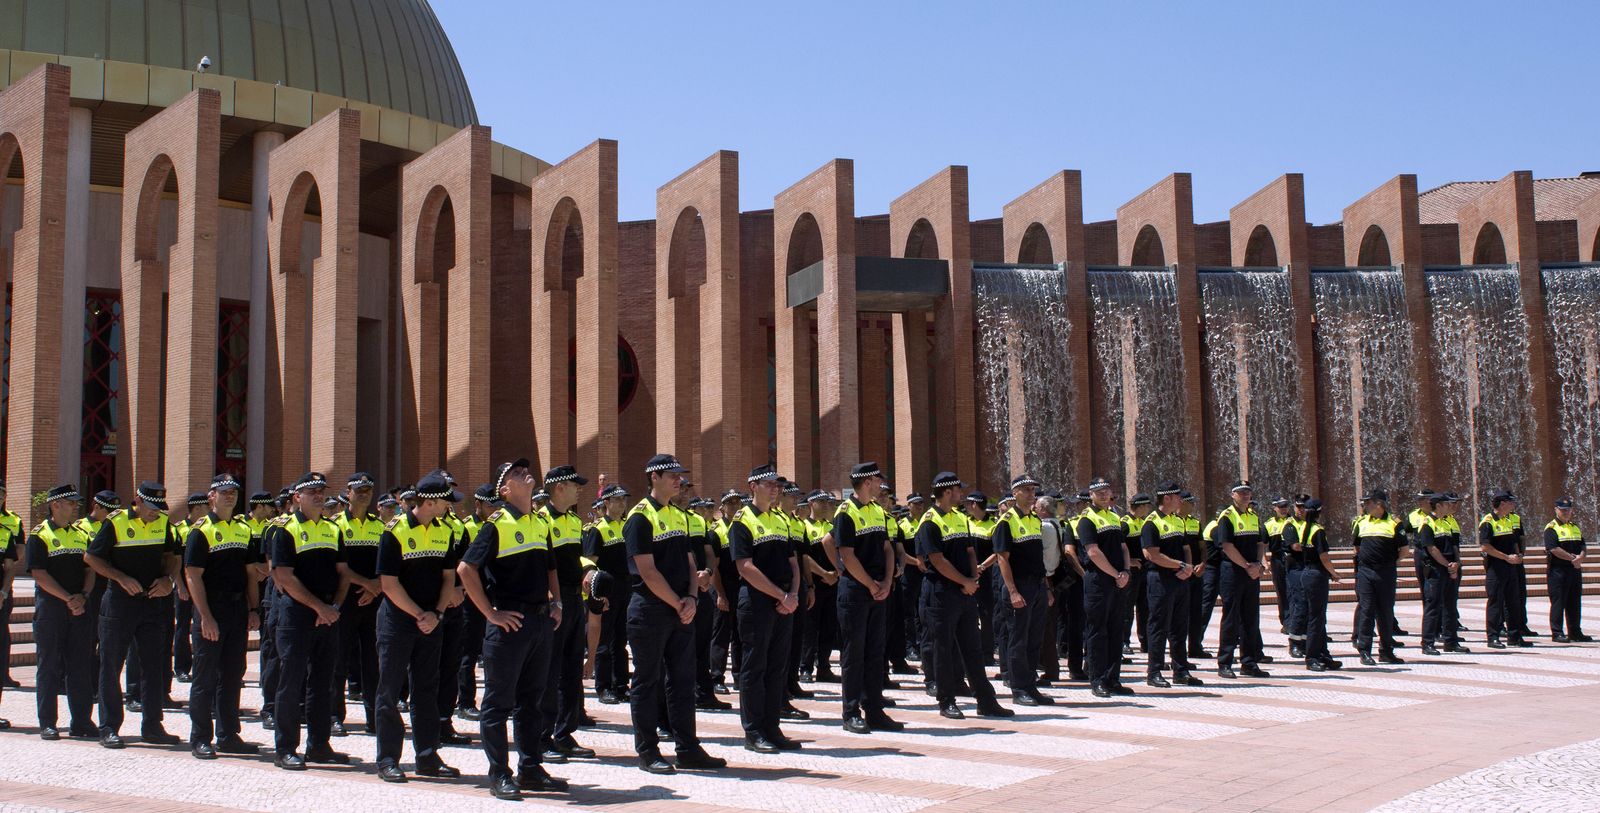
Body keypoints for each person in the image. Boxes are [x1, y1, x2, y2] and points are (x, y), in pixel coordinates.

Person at [458, 458, 565, 799]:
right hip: (510, 623)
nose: (525, 473)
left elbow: (551, 569)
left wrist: (557, 602)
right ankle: (499, 773)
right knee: (498, 702)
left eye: (524, 470)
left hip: (539, 621)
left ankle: (530, 768)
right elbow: (466, 570)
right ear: (505, 491)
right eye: (516, 474)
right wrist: (490, 613)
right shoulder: (496, 525)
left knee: (532, 700)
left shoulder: (539, 522)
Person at [622, 454, 726, 774]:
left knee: (682, 681)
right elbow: (647, 571)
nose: (678, 480)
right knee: (646, 682)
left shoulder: (678, 515)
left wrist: (693, 596)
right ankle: (648, 751)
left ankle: (688, 748)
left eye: (680, 476)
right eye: (672, 475)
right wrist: (679, 602)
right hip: (651, 610)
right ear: (654, 478)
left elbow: (690, 561)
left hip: (681, 608)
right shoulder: (639, 517)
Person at [372, 473, 463, 783]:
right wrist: (419, 615)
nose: (449, 507)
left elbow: (448, 578)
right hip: (398, 622)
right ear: (430, 501)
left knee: (426, 689)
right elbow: (388, 584)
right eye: (445, 501)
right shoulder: (393, 532)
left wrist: (436, 613)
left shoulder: (445, 531)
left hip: (432, 621)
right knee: (389, 689)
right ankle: (387, 759)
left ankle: (427, 756)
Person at [265, 473, 353, 770]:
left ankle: (319, 745)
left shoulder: (332, 529)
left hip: (328, 613)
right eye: (311, 491)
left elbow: (343, 573)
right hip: (297, 615)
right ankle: (286, 748)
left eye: (321, 491)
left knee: (323, 683)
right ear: (296, 498)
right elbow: (283, 577)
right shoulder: (285, 530)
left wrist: (336, 606)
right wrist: (319, 608)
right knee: (291, 683)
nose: (318, 496)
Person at [85, 481, 182, 748]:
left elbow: (172, 556)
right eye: (151, 507)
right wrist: (120, 578)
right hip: (119, 604)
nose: (155, 512)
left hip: (152, 603)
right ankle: (109, 727)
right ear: (137, 501)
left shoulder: (163, 523)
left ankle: (152, 726)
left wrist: (167, 580)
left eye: (159, 507)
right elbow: (92, 558)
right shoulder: (115, 523)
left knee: (153, 667)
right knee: (111, 666)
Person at [917, 472, 1014, 720]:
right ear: (948, 492)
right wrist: (964, 581)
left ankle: (985, 700)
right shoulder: (929, 521)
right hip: (941, 593)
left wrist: (972, 580)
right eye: (959, 490)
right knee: (943, 648)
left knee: (972, 647)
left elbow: (970, 551)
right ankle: (946, 700)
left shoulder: (960, 517)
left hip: (965, 591)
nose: (962, 494)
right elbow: (937, 560)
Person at [184, 474, 263, 759]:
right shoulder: (200, 531)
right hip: (211, 609)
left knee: (233, 675)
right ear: (211, 497)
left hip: (237, 609)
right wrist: (205, 616)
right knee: (205, 677)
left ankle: (229, 735)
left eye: (234, 491)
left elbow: (251, 573)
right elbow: (192, 576)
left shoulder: (244, 529)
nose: (230, 496)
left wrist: (253, 609)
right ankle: (200, 737)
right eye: (224, 491)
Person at [728, 465, 803, 753]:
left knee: (777, 668)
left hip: (783, 600)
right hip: (757, 602)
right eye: (769, 484)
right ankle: (754, 731)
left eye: (778, 485)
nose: (775, 489)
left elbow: (793, 562)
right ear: (753, 486)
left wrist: (792, 594)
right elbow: (745, 567)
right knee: (754, 668)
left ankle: (773, 727)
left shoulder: (781, 520)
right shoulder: (742, 521)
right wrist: (782, 595)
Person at [833, 462, 903, 733]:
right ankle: (850, 711)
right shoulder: (845, 512)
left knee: (875, 652)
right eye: (877, 480)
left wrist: (886, 580)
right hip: (856, 591)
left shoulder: (877, 511)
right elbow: (847, 555)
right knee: (854, 654)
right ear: (866, 482)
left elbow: (887, 548)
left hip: (878, 589)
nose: (880, 484)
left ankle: (874, 709)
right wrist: (870, 584)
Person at [538, 465, 599, 764]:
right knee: (549, 671)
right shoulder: (541, 520)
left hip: (575, 598)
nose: (579, 489)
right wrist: (552, 599)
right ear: (559, 487)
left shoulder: (575, 521)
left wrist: (588, 570)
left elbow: (574, 558)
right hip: (555, 600)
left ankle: (565, 733)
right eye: (575, 485)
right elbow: (540, 565)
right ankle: (542, 736)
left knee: (572, 670)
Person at [29, 484, 95, 738]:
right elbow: (38, 574)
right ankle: (48, 722)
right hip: (52, 609)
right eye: (70, 503)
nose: (75, 507)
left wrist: (84, 596)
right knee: (49, 666)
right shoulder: (40, 535)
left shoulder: (81, 534)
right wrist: (68, 598)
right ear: (55, 505)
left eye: (76, 503)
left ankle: (81, 722)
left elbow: (90, 569)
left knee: (79, 665)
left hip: (79, 607)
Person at [991, 475, 1053, 705]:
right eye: (1025, 490)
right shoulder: (1006, 521)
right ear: (1014, 493)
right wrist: (1013, 591)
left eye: (1033, 490)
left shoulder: (1034, 519)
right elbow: (1002, 559)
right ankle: (1019, 689)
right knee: (1018, 639)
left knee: (1034, 638)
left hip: (1036, 585)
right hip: (1019, 586)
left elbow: (1038, 558)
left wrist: (1046, 587)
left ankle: (1031, 685)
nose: (1031, 494)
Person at [332, 472, 384, 736]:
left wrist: (375, 589)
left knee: (372, 662)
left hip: (372, 602)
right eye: (358, 489)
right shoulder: (335, 525)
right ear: (348, 493)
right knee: (338, 660)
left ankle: (374, 717)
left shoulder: (380, 526)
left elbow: (385, 566)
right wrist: (369, 584)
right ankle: (334, 716)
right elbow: (338, 567)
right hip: (344, 601)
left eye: (368, 489)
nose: (363, 493)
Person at [1140, 482, 1200, 688]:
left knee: (1179, 626)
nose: (1181, 500)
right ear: (1166, 498)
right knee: (1158, 626)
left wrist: (1188, 567)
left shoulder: (1177, 520)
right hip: (1160, 579)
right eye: (1177, 497)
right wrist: (1181, 565)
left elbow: (1185, 548)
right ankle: (1154, 671)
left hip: (1180, 578)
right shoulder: (1151, 522)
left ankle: (1181, 670)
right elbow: (1152, 554)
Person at [1077, 477, 1131, 698]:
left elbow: (1123, 547)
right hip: (1099, 580)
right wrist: (1116, 574)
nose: (1103, 494)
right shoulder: (1087, 519)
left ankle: (1113, 679)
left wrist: (1126, 571)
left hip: (1119, 580)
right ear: (1090, 495)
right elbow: (1093, 552)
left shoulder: (1114, 516)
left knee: (1116, 629)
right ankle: (1097, 680)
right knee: (1097, 631)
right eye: (1098, 491)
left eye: (1106, 490)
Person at [582, 484, 631, 704]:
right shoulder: (597, 529)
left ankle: (621, 684)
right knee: (604, 639)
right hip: (607, 593)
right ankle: (603, 686)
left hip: (626, 591)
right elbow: (591, 562)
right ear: (607, 503)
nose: (622, 504)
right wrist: (597, 594)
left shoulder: (628, 526)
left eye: (624, 500)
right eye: (617, 500)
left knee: (621, 641)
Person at [1215, 481, 1268, 679]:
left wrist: (1259, 564)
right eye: (1241, 493)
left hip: (1251, 572)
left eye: (1248, 492)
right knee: (1231, 618)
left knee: (1251, 619)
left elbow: (1259, 543)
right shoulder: (1227, 517)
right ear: (1232, 495)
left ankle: (1249, 662)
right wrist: (1248, 566)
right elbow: (1227, 546)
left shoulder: (1253, 516)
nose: (1245, 495)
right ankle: (1225, 662)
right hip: (1233, 572)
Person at [1282, 498, 1342, 670]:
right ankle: (1313, 656)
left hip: (1308, 573)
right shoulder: (1317, 530)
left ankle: (1323, 654)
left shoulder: (1305, 530)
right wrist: (1334, 572)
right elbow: (1323, 556)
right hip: (1316, 575)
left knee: (1317, 616)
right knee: (1316, 618)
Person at [1354, 489, 1406, 666]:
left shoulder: (1394, 523)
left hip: (1386, 572)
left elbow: (1404, 550)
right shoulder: (1361, 522)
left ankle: (1386, 651)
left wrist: (1390, 563)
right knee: (1367, 610)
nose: (1365, 506)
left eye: (1368, 502)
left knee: (1385, 612)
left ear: (1379, 504)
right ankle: (1365, 651)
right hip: (1366, 572)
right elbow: (1357, 548)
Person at [1417, 492, 1467, 656]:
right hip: (1436, 570)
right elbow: (1431, 548)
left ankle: (1451, 641)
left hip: (1450, 569)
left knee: (1450, 606)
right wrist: (1447, 565)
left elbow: (1454, 546)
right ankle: (1428, 643)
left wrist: (1456, 564)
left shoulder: (1447, 522)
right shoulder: (1427, 523)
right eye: (1447, 504)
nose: (1450, 507)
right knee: (1433, 606)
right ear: (1438, 505)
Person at [800, 490, 840, 683]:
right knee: (809, 628)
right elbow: (804, 557)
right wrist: (824, 574)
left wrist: (836, 574)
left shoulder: (832, 526)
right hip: (814, 584)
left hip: (833, 584)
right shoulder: (804, 526)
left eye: (827, 502)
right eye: (821, 501)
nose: (825, 505)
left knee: (829, 627)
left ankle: (824, 666)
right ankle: (806, 667)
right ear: (811, 504)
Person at [1544, 497, 1589, 643]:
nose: (1565, 512)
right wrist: (1572, 559)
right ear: (1556, 510)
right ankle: (1557, 632)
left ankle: (1575, 632)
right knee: (1558, 602)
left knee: (1574, 602)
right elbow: (1553, 548)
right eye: (1562, 510)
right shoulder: (1551, 528)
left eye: (1568, 509)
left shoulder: (1575, 527)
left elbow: (1583, 545)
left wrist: (1581, 557)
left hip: (1574, 570)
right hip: (1558, 571)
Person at [0, 481, 24, 691]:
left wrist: (4, 589)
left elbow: (18, 551)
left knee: (3, 633)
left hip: (4, 583)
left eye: (2, 493)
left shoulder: (13, 521)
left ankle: (3, 674)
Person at [1264, 497, 1292, 633]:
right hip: (1277, 560)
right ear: (1274, 508)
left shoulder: (1293, 522)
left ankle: (1296, 620)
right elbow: (1263, 545)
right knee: (1282, 591)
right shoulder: (1269, 524)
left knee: (1294, 590)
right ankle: (1286, 621)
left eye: (1285, 506)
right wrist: (1264, 561)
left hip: (1293, 560)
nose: (1283, 509)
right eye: (1280, 507)